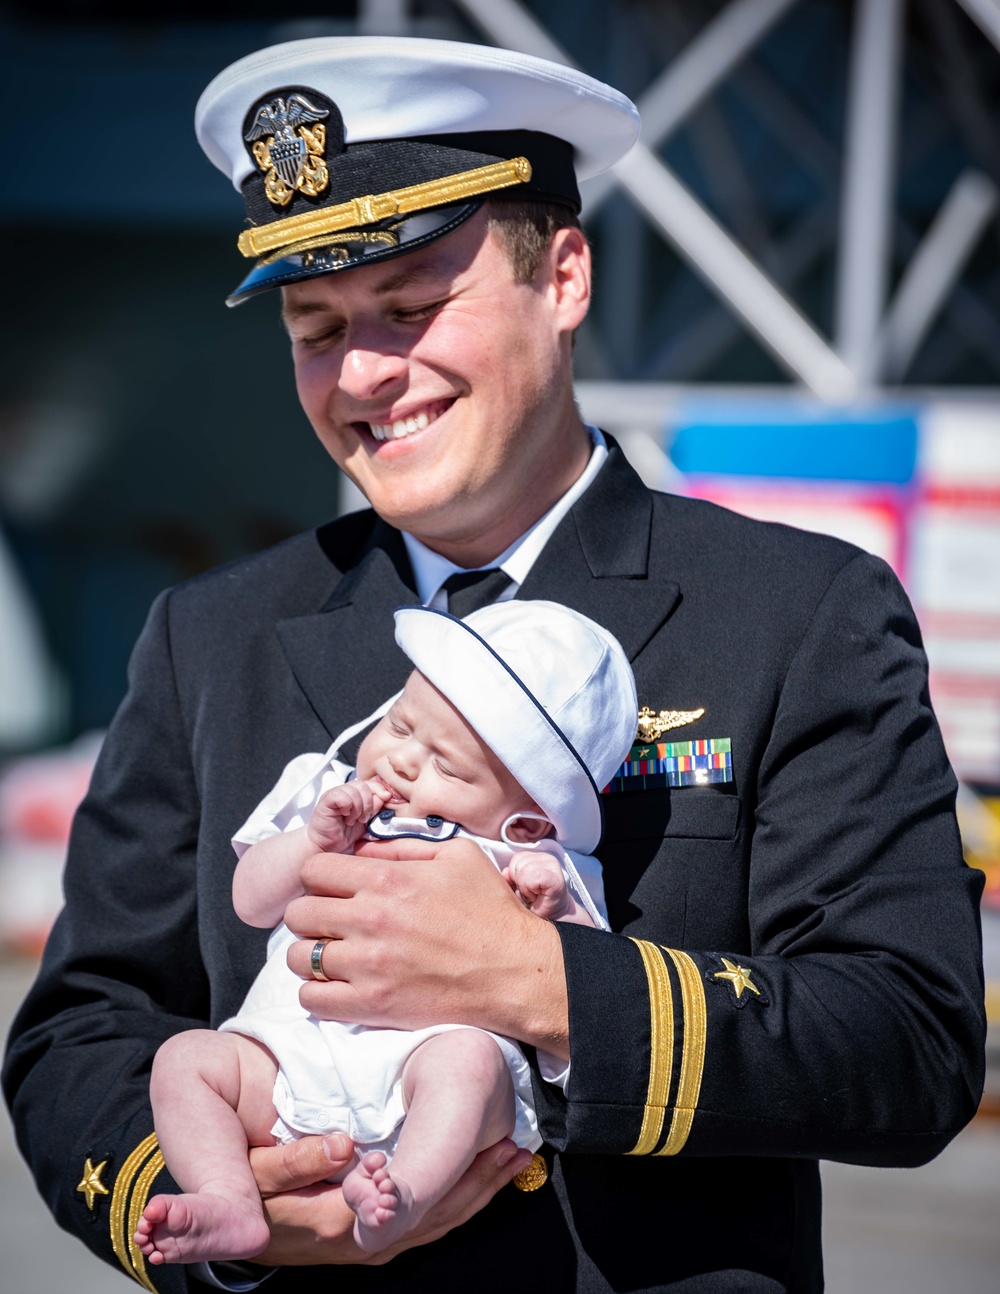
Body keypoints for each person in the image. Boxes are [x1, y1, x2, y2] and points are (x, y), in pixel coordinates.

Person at [2, 34, 986, 1294]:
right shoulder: (213, 638)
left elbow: (908, 1041)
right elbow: (80, 1033)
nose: (363, 373)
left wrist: (544, 985)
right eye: (316, 326)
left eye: (412, 309)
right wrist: (230, 1208)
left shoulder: (798, 613)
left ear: (563, 274)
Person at [135, 600, 635, 1264]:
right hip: (289, 1058)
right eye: (400, 725)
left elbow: (586, 988)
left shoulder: (529, 859)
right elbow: (251, 900)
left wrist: (551, 908)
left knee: (467, 1065)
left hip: (422, 1074)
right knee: (184, 1062)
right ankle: (230, 1198)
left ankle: (406, 1191)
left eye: (448, 768)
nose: (402, 762)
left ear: (531, 819)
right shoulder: (323, 792)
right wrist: (311, 841)